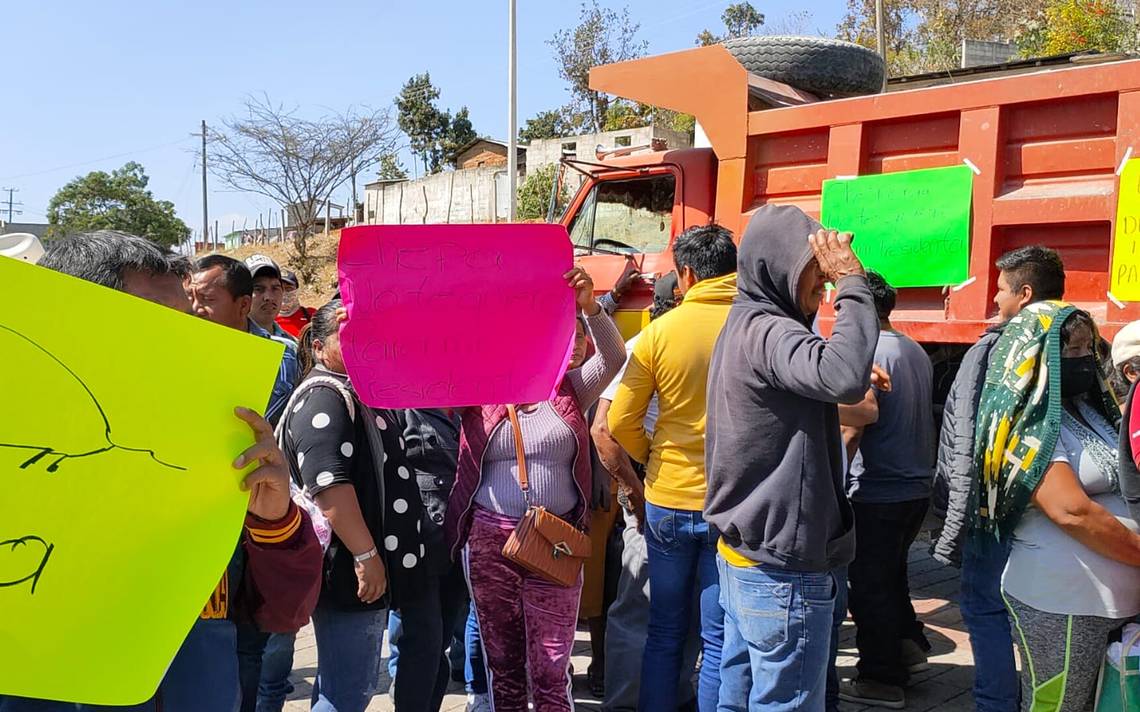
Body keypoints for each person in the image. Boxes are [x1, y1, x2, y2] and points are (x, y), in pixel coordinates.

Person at [0, 230, 323, 712]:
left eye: (187, 324)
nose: (183, 347)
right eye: (153, 326)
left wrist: (274, 520)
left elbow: (283, 611)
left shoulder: (214, 443)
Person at [705, 205, 879, 712]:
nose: (823, 288)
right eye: (814, 273)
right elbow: (844, 375)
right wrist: (853, 284)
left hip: (746, 556)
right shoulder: (770, 331)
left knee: (736, 700)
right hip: (780, 567)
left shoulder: (744, 324)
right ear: (776, 267)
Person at [444, 266, 626, 712]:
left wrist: (590, 308)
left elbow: (614, 358)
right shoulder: (473, 392)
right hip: (490, 542)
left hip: (556, 538)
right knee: (503, 666)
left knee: (551, 666)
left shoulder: (566, 390)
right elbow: (415, 373)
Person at [973, 304, 1140, 711]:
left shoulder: (1086, 408)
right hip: (1061, 607)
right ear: (1035, 355)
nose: (1083, 360)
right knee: (1055, 706)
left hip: (1115, 604)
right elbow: (1071, 511)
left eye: (1088, 349)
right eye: (1069, 352)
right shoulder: (1023, 423)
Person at [606, 225, 738, 712]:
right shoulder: (760, 324)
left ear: (685, 274)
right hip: (731, 504)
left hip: (666, 499)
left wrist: (652, 454)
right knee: (717, 635)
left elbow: (620, 420)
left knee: (663, 628)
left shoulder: (657, 334)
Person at [276, 300, 430, 712]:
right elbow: (330, 486)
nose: (365, 343)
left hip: (357, 566)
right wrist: (366, 556)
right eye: (351, 335)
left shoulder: (355, 390)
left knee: (342, 685)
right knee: (348, 692)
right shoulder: (326, 397)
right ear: (322, 344)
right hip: (347, 570)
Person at [931, 245, 1065, 712]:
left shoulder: (996, 350)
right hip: (1057, 505)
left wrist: (955, 515)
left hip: (997, 507)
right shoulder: (1079, 343)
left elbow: (966, 437)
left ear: (1025, 294)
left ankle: (994, 703)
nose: (994, 297)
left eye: (1002, 289)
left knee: (983, 606)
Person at [592, 273, 702, 712]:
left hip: (669, 494)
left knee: (675, 610)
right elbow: (604, 430)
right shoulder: (649, 344)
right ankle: (624, 702)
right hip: (654, 494)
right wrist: (636, 493)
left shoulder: (678, 341)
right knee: (641, 606)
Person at [838, 273, 935, 709]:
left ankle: (880, 678)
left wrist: (836, 480)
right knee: (893, 575)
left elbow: (858, 422)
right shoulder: (912, 348)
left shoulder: (869, 352)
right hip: (914, 486)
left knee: (869, 586)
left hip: (877, 489)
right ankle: (908, 648)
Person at [385, 408, 473, 712]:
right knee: (423, 645)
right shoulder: (401, 404)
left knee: (438, 648)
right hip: (417, 544)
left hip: (455, 539)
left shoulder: (466, 401)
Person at [190, 255, 299, 426]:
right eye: (190, 297)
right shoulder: (176, 353)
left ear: (243, 304)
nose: (195, 308)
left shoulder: (288, 355)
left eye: (208, 299)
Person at [244, 255, 295, 344]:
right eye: (259, 289)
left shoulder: (292, 346)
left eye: (275, 288)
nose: (269, 297)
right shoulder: (227, 341)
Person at [276, 270, 313, 338]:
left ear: (297, 291)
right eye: (279, 288)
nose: (284, 293)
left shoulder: (311, 315)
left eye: (289, 288)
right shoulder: (267, 320)